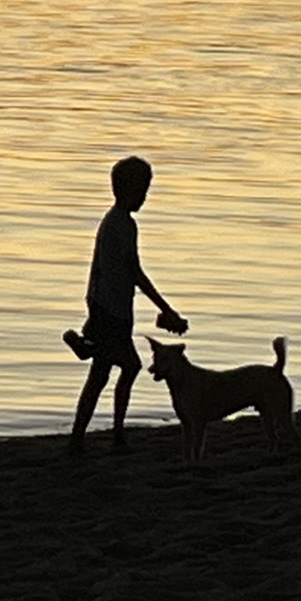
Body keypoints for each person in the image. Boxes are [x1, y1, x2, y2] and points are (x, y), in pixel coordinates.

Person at [63, 156, 187, 454]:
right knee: (125, 367)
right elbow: (134, 272)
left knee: (103, 373)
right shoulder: (121, 225)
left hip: (109, 306)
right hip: (111, 310)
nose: (145, 197)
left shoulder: (113, 221)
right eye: (142, 190)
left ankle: (84, 436)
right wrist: (166, 309)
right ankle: (111, 433)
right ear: (126, 189)